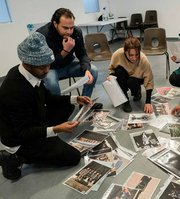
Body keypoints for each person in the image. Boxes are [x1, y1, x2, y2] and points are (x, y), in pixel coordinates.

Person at [0, 32, 93, 180]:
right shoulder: (14, 90)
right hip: (19, 140)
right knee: (73, 157)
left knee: (67, 106)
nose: (46, 70)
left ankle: (46, 141)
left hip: (33, 120)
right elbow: (22, 132)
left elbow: (47, 97)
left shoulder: (32, 73)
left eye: (48, 65)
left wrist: (76, 99)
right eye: (42, 67)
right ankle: (15, 158)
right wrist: (56, 129)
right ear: (27, 64)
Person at [37, 8, 102, 109]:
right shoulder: (42, 35)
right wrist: (65, 51)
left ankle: (84, 103)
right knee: (52, 83)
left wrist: (86, 69)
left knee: (93, 70)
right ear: (55, 24)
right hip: (50, 68)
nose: (69, 31)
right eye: (65, 28)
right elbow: (45, 63)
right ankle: (59, 110)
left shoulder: (76, 32)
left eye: (71, 27)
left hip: (68, 65)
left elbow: (82, 53)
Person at [108, 37, 154, 113]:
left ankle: (137, 92)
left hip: (137, 78)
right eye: (131, 55)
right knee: (118, 71)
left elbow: (149, 80)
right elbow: (112, 68)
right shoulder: (117, 54)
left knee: (131, 82)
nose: (134, 58)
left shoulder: (143, 59)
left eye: (137, 54)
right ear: (125, 51)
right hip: (124, 76)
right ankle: (125, 101)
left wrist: (148, 102)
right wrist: (111, 75)